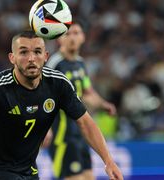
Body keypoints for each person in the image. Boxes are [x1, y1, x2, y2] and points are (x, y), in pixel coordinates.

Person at [0, 30, 123, 180]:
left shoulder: (58, 84)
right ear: (12, 58)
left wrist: (108, 160)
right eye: (23, 52)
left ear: (45, 57)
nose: (31, 58)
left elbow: (85, 122)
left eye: (37, 52)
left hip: (28, 171)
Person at [45, 21, 117, 180]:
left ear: (83, 37)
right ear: (59, 39)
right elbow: (43, 97)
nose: (72, 37)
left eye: (76, 33)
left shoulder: (80, 64)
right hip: (62, 135)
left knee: (89, 176)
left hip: (82, 133)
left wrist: (103, 105)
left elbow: (87, 92)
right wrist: (46, 128)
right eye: (67, 34)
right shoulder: (55, 64)